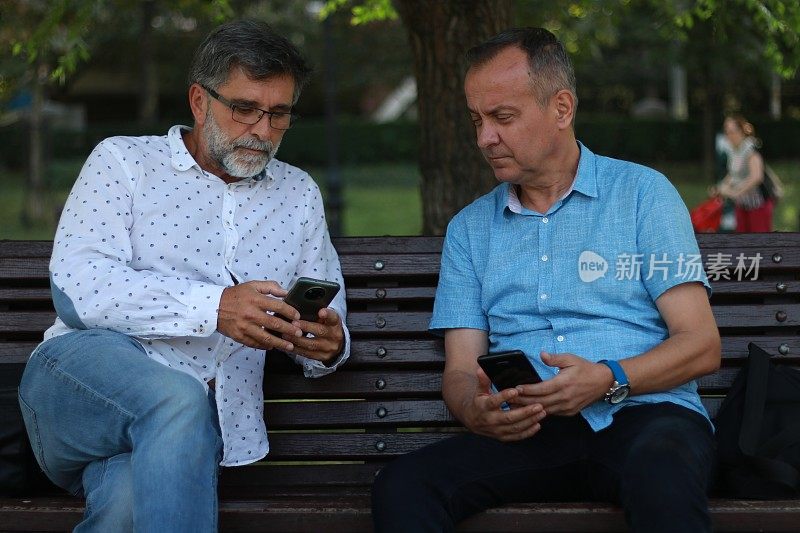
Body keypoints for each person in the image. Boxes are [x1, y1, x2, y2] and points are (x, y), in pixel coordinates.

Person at [372, 27, 721, 533]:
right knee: (403, 486)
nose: (483, 138)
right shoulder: (470, 230)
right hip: (530, 431)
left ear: (561, 109)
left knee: (662, 471)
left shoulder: (644, 194)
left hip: (647, 416)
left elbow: (701, 344)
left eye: (502, 118)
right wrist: (474, 410)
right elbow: (461, 368)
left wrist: (607, 377)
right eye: (477, 120)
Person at [17, 20, 350, 532]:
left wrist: (328, 344)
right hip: (76, 382)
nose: (261, 130)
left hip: (204, 433)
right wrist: (214, 306)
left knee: (127, 504)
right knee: (177, 395)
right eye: (244, 109)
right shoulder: (124, 161)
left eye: (278, 114)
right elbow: (78, 289)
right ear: (200, 101)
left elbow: (328, 310)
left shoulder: (298, 194)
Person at [715, 115, 773, 232]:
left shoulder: (750, 148)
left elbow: (757, 177)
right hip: (742, 205)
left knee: (759, 244)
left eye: (732, 132)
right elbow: (733, 173)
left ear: (741, 131)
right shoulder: (733, 150)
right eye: (726, 132)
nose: (729, 136)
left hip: (758, 205)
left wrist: (736, 192)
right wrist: (721, 187)